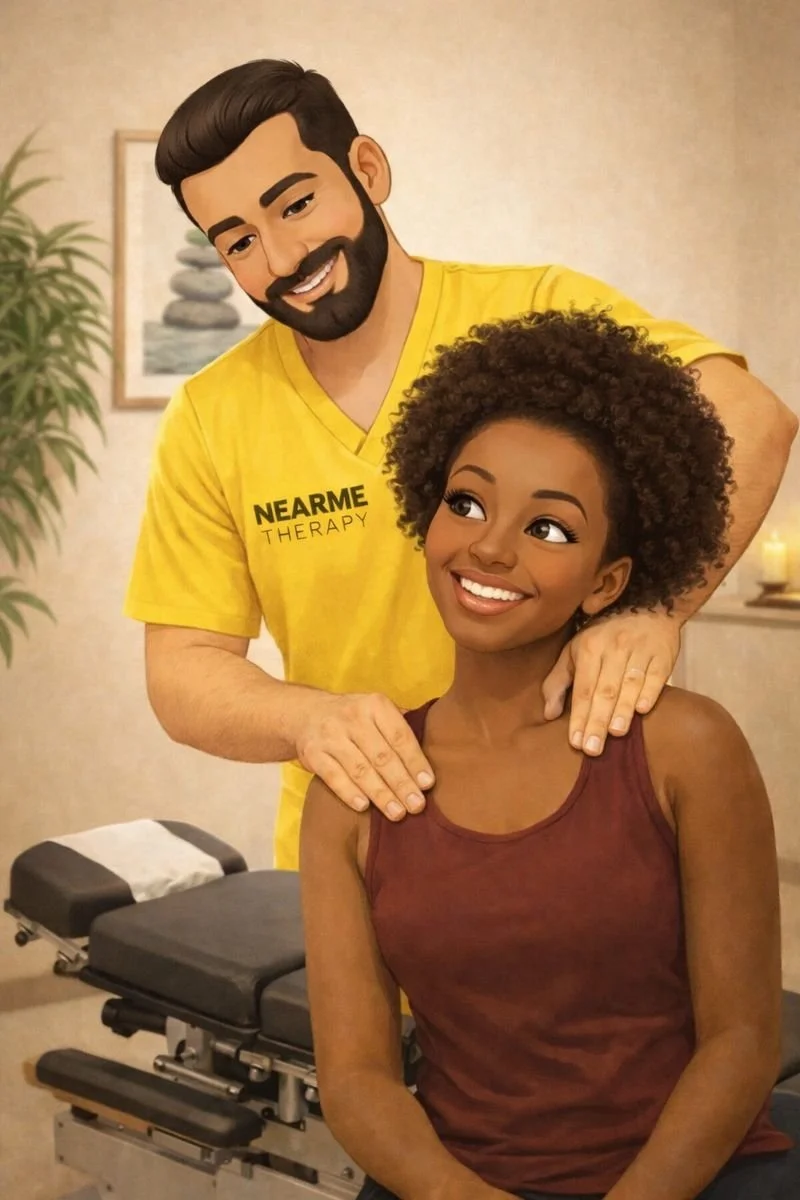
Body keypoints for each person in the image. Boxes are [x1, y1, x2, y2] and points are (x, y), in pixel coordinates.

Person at [124, 59, 797, 871]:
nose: (281, 255)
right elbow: (184, 670)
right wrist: (309, 720)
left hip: (574, 829)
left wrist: (651, 609)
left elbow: (751, 417)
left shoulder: (532, 311)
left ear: (366, 171)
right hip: (361, 849)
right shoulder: (212, 414)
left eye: (296, 204)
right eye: (238, 241)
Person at [299, 308, 800, 1200]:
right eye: (467, 503)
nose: (489, 545)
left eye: (551, 529)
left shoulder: (688, 747)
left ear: (608, 580)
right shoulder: (357, 787)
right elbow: (357, 1079)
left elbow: (742, 1044)